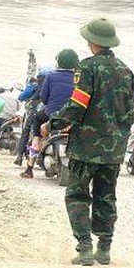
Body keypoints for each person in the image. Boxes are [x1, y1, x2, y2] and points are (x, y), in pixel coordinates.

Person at [44, 18, 134, 266]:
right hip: (114, 150)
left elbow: (77, 106)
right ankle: (104, 249)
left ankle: (85, 248)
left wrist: (52, 124)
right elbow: (130, 111)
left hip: (86, 147)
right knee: (106, 196)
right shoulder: (126, 70)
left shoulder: (87, 69)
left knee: (77, 195)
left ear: (91, 42)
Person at [22, 49, 78, 178]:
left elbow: (44, 98)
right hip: (72, 115)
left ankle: (30, 167)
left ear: (59, 62)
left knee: (37, 124)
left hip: (51, 113)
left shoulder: (51, 75)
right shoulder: (78, 78)